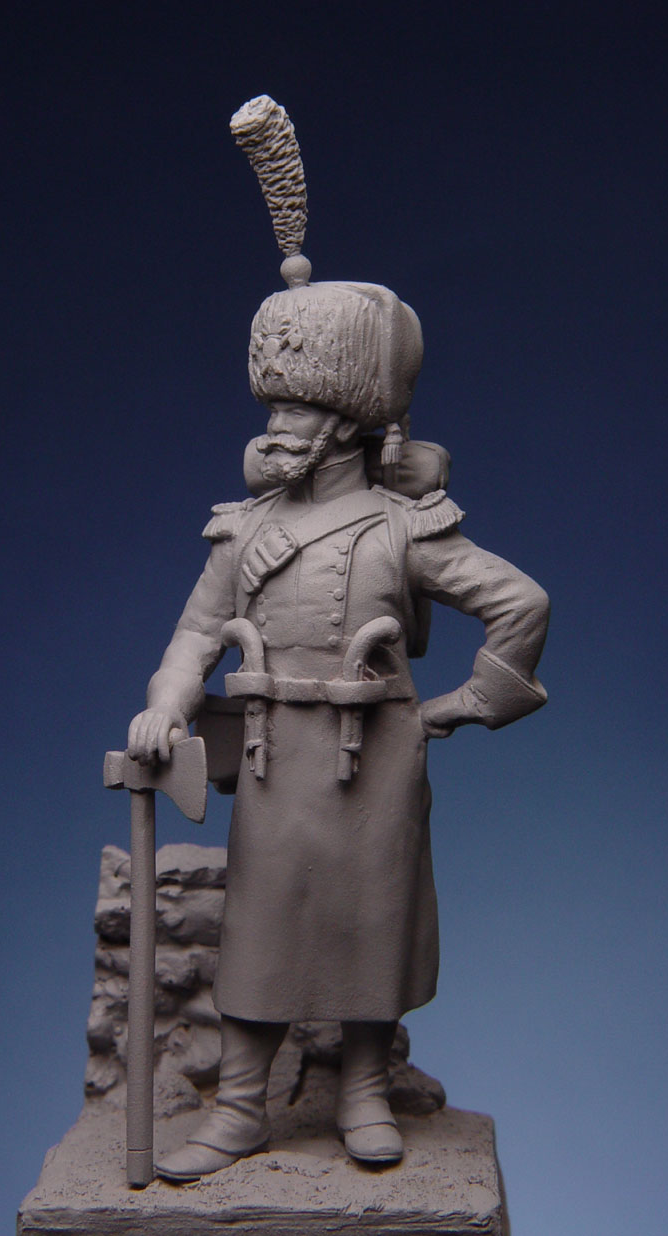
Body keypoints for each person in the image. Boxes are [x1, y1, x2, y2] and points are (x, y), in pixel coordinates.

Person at [125, 97, 550, 1182]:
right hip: (275, 754)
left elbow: (519, 603)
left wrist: (468, 704)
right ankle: (242, 1104)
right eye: (274, 409)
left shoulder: (407, 528)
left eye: (300, 411)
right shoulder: (244, 530)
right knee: (261, 926)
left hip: (376, 750)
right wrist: (166, 703)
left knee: (373, 922)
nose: (278, 430)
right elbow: (195, 629)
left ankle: (363, 1090)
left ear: (351, 420)